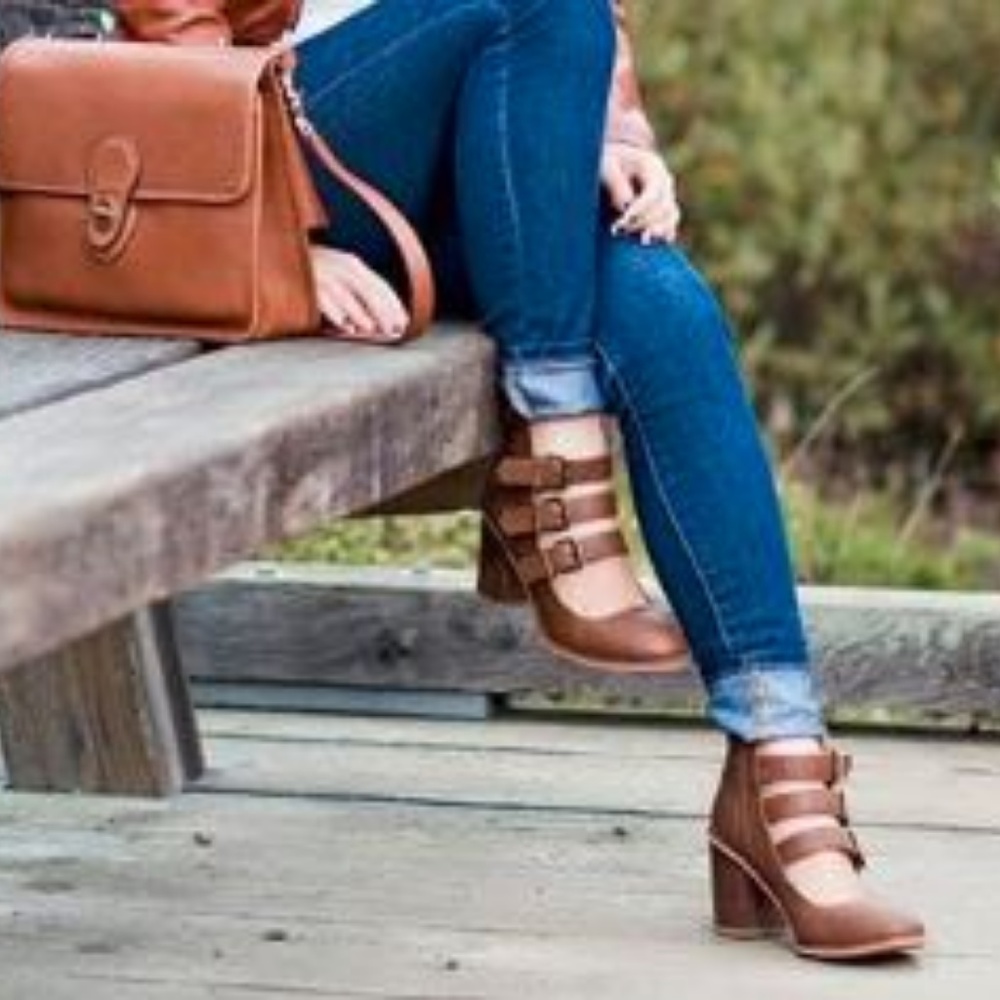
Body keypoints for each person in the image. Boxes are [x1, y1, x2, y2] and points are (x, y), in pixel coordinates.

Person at [116, 0, 926, 961]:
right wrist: (266, 241)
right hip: (256, 160)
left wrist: (604, 135)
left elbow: (583, 37)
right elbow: (175, 52)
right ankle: (560, 465)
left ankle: (777, 765)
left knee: (660, 304)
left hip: (465, 159)